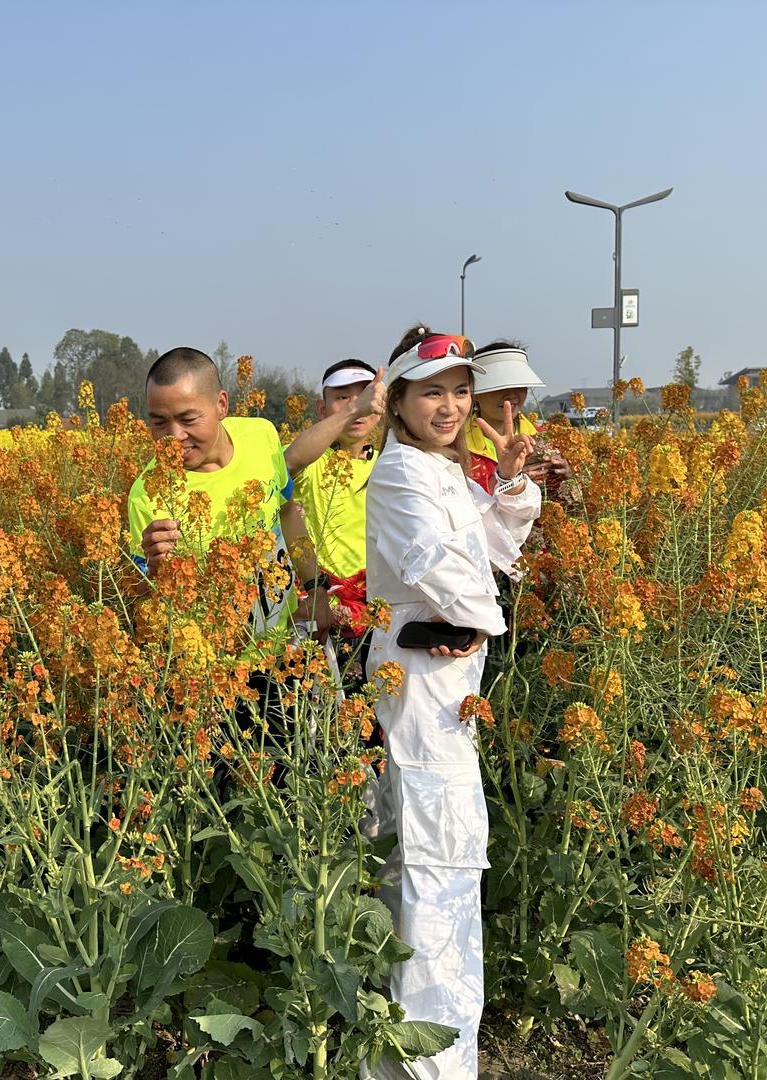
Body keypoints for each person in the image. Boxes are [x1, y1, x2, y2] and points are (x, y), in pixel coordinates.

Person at [363, 325, 540, 1080]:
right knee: (434, 864)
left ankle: (429, 1049)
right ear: (398, 399)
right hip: (420, 688)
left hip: (447, 689)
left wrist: (506, 481)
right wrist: (478, 624)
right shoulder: (401, 474)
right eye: (431, 391)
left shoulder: (444, 470)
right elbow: (443, 573)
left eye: (460, 391)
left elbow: (500, 549)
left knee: (438, 862)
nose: (449, 405)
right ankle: (420, 1062)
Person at [128, 346, 335, 640]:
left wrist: (316, 587)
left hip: (285, 646)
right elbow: (139, 597)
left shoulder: (262, 436)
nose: (174, 438)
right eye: (159, 422)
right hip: (215, 670)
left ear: (221, 405)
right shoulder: (146, 494)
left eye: (188, 419)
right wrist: (153, 569)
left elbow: (287, 512)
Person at [279, 359, 387, 691]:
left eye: (364, 397)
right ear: (322, 408)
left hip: (375, 613)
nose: (357, 408)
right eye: (343, 399)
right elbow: (283, 467)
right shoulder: (313, 459)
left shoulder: (388, 462)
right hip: (320, 606)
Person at [466, 340, 571, 494]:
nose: (511, 394)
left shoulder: (544, 438)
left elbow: (565, 506)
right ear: (474, 392)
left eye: (519, 384)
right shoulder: (455, 444)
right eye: (499, 386)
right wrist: (510, 484)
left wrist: (567, 478)